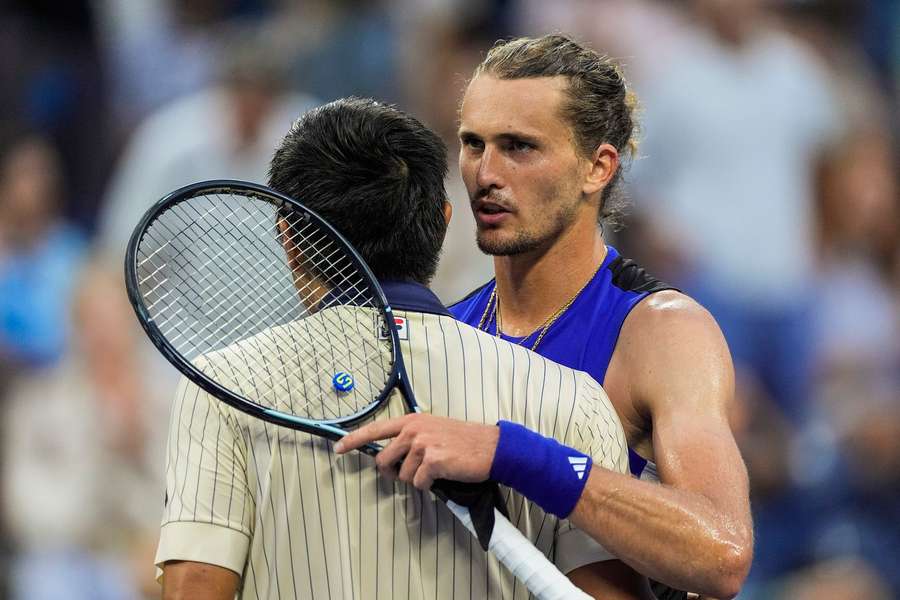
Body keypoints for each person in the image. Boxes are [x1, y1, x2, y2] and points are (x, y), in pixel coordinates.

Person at [156, 97, 630, 599]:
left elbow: (196, 592)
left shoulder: (223, 385)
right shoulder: (571, 398)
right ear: (444, 222)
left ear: (289, 236)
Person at [338, 35, 753, 599]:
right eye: (472, 143)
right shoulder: (450, 329)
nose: (485, 173)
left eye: (518, 147)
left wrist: (508, 451)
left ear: (597, 167)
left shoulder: (663, 331)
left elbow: (722, 554)